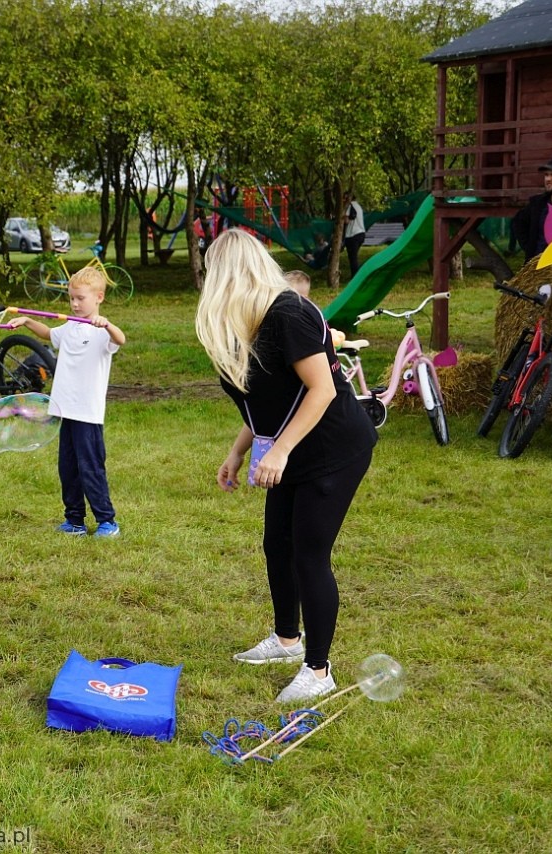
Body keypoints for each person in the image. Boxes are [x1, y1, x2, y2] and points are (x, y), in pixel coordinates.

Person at [194, 229, 377, 704]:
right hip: (292, 445)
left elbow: (323, 390)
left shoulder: (288, 314)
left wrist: (279, 451)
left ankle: (318, 671)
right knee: (277, 543)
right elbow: (268, 402)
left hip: (333, 446)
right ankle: (286, 641)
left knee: (309, 554)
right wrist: (239, 450)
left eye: (212, 270)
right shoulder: (245, 324)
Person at [10, 267, 126, 538]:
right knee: (68, 468)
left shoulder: (102, 332)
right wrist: (27, 321)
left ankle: (107, 521)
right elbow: (49, 333)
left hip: (87, 413)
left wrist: (107, 325)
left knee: (91, 467)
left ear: (99, 297)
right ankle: (74, 520)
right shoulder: (71, 327)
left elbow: (121, 339)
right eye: (71, 298)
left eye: (80, 299)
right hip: (65, 410)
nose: (74, 304)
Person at [343, 198, 366, 277]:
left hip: (353, 235)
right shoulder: (358, 206)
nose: (343, 200)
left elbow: (346, 221)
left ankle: (355, 276)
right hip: (361, 233)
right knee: (354, 256)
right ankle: (356, 274)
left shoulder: (349, 206)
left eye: (344, 198)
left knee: (353, 257)